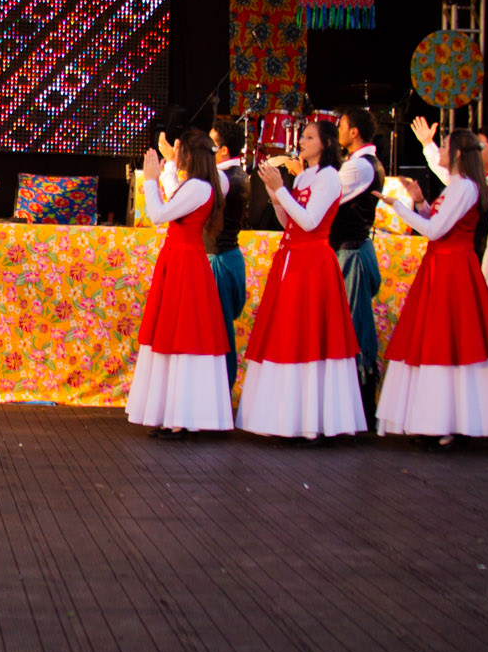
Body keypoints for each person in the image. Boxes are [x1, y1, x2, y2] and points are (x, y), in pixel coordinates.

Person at [375, 129, 488, 444]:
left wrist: (399, 207)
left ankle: (453, 422)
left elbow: (435, 230)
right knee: (437, 341)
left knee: (451, 341)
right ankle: (438, 419)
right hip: (442, 266)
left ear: (457, 152)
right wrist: (420, 203)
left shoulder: (466, 187)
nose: (441, 150)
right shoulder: (457, 185)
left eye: (444, 145)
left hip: (454, 268)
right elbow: (440, 224)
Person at [236, 119, 369, 439]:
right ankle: (285, 418)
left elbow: (310, 222)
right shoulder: (306, 176)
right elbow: (290, 221)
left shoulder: (329, 177)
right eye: (303, 136)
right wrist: (275, 194)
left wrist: (282, 190)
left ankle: (312, 421)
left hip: (312, 265)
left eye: (309, 137)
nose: (302, 141)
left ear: (326, 143)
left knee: (309, 336)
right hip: (292, 259)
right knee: (287, 335)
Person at [126, 133, 234, 439]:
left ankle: (180, 418)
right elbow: (177, 199)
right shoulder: (206, 185)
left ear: (189, 154)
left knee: (181, 336)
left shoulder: (199, 187)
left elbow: (158, 214)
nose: (176, 154)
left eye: (179, 150)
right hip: (183, 261)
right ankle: (175, 414)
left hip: (184, 263)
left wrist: (151, 180)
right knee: (178, 335)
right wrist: (168, 169)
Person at [413, 116, 488, 339]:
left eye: (480, 146)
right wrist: (428, 144)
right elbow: (450, 175)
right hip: (479, 269)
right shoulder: (477, 181)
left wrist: (483, 286)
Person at [165, 124, 251, 386]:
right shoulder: (234, 175)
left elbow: (179, 203)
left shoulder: (222, 179)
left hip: (219, 260)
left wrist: (171, 166)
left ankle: (219, 393)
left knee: (217, 332)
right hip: (226, 256)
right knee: (217, 330)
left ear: (222, 150)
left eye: (210, 145)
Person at [330, 107, 387, 412]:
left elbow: (329, 196)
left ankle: (362, 404)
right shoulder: (359, 164)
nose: (338, 130)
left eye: (341, 125)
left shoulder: (360, 167)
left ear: (354, 132)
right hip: (349, 249)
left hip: (352, 252)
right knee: (351, 324)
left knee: (356, 326)